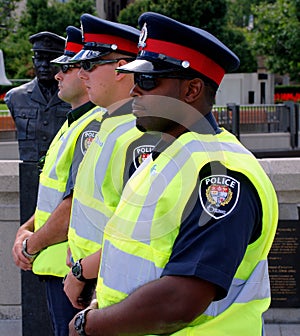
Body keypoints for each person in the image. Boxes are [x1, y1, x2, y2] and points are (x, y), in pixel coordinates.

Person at [68, 12, 278, 336]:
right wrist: (102, 303)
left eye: (149, 80)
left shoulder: (220, 175)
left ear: (192, 89)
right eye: (135, 77)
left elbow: (181, 299)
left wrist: (90, 325)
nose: (135, 90)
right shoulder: (166, 154)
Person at [11, 25, 105, 336]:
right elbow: (53, 197)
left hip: (75, 272)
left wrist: (31, 244)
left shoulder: (93, 128)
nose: (57, 74)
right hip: (59, 267)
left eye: (67, 67)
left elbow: (74, 202)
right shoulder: (75, 122)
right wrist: (26, 228)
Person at [61, 13, 160, 309]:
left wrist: (82, 270)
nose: (81, 74)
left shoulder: (138, 134)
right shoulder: (110, 122)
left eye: (89, 64)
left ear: (120, 67)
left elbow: (143, 231)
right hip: (93, 281)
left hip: (115, 288)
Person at [5, 31, 70, 162]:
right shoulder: (15, 97)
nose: (44, 65)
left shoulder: (73, 96)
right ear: (33, 61)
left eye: (51, 59)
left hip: (62, 173)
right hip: (29, 174)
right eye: (40, 58)